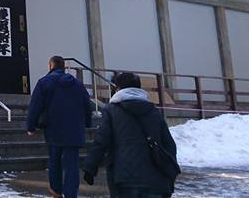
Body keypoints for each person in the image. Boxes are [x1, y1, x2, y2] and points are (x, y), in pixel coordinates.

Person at [82, 72, 179, 198]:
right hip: (155, 180)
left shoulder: (111, 111)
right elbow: (169, 145)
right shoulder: (154, 111)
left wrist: (90, 168)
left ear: (118, 88)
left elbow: (101, 142)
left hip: (125, 178)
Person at [27, 55, 92, 198]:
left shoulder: (44, 82)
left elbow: (35, 106)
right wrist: (88, 123)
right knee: (72, 166)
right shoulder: (77, 84)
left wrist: (31, 126)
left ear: (51, 66)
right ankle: (71, 194)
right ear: (63, 67)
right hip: (74, 130)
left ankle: (56, 191)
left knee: (55, 161)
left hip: (53, 128)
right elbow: (87, 105)